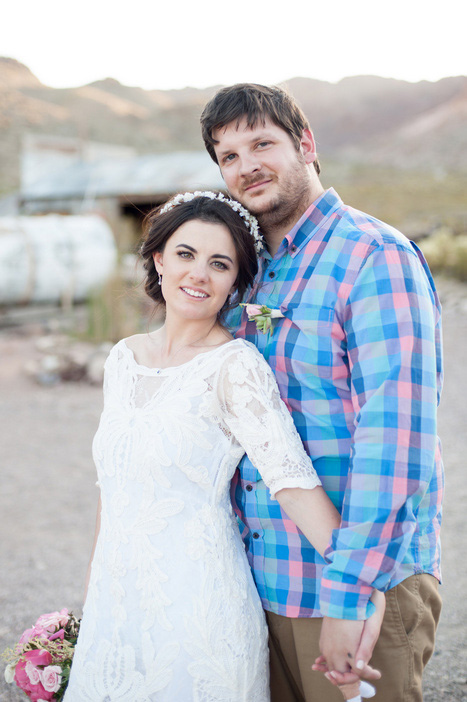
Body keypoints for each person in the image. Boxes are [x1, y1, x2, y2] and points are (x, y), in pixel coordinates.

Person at [64, 192, 383, 702]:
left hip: (199, 610)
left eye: (220, 264)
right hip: (117, 605)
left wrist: (361, 580)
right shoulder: (123, 360)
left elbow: (292, 481)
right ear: (159, 258)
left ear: (235, 281)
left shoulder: (235, 367)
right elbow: (114, 489)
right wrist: (96, 593)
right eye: (186, 254)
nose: (199, 275)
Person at [200, 84, 444, 702]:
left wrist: (349, 593)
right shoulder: (248, 271)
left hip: (352, 591)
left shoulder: (373, 256)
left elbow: (396, 442)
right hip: (258, 585)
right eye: (228, 156)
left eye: (262, 143)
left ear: (306, 144)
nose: (246, 164)